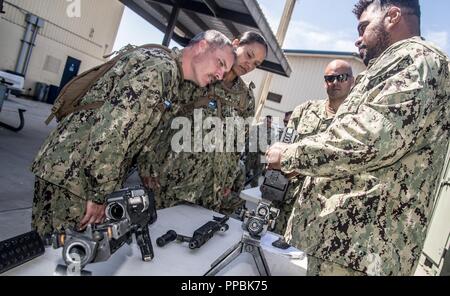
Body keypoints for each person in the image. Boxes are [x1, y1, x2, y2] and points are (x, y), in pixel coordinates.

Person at [266, 0, 450, 276]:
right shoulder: (384, 67)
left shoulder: (418, 59)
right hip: (335, 247)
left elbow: (371, 138)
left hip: (359, 253)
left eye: (364, 27)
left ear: (393, 15)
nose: (359, 37)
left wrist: (292, 155)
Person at [31, 30, 235, 238]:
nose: (220, 75)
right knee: (60, 254)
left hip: (75, 170)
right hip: (75, 175)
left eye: (225, 70)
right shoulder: (159, 70)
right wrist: (100, 195)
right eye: (220, 63)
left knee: (56, 251)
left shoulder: (170, 75)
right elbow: (112, 133)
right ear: (202, 46)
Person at [139, 31, 268, 215]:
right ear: (236, 44)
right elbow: (161, 117)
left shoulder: (245, 98)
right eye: (249, 55)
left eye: (256, 64)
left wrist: (227, 180)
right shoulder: (202, 73)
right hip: (171, 179)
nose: (249, 65)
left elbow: (237, 144)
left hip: (210, 190)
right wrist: (147, 163)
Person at [272, 60, 354, 235]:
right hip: (288, 201)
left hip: (324, 211)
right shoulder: (305, 110)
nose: (335, 83)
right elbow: (285, 149)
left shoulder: (354, 121)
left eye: (342, 77)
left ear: (352, 81)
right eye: (330, 78)